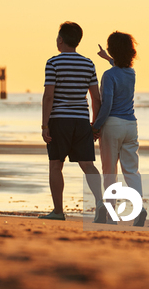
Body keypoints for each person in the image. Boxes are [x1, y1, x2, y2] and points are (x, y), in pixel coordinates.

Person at [40, 22, 104, 221]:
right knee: (88, 165)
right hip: (81, 121)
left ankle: (58, 211)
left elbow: (48, 96)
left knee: (56, 165)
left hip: (60, 120)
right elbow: (96, 97)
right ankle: (101, 205)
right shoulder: (88, 63)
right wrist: (96, 124)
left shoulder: (53, 63)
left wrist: (44, 125)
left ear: (60, 40)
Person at [93, 32, 147, 226]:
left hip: (112, 125)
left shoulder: (109, 75)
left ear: (111, 49)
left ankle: (111, 215)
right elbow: (119, 67)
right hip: (131, 125)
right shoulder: (131, 73)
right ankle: (139, 209)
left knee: (109, 171)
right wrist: (108, 59)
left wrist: (96, 126)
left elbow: (106, 105)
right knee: (132, 171)